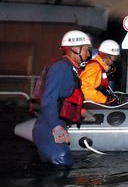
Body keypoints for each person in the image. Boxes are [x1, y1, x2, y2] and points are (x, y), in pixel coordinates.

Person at [30, 30, 92, 166]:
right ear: (76, 49)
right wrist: (56, 127)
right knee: (63, 163)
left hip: (51, 125)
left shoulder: (68, 68)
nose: (88, 54)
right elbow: (49, 100)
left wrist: (81, 112)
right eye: (87, 50)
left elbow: (63, 99)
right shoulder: (62, 68)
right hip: (48, 127)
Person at [80, 40, 122, 105]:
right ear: (105, 56)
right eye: (114, 57)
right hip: (87, 106)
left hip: (91, 104)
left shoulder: (101, 67)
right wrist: (105, 99)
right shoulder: (94, 67)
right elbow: (84, 89)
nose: (115, 60)